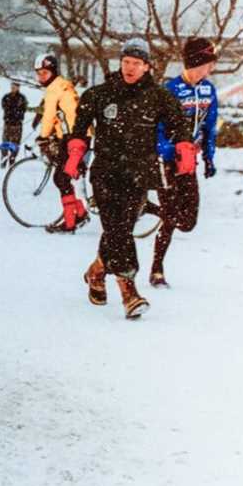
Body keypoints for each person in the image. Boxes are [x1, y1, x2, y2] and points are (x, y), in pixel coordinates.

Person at [65, 39, 194, 319]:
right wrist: (75, 154)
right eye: (125, 62)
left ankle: (97, 271)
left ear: (147, 67)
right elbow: (79, 129)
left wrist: (184, 148)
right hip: (106, 173)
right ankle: (129, 292)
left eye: (136, 63)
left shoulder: (158, 97)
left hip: (138, 175)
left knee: (118, 228)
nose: (130, 68)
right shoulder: (99, 94)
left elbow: (179, 125)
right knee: (119, 230)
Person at [149, 36, 220, 287]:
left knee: (188, 222)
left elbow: (210, 127)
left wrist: (209, 157)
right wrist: (168, 151)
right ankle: (157, 269)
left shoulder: (208, 90)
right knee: (170, 216)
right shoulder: (170, 90)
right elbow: (155, 127)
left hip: (189, 162)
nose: (210, 69)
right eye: (208, 63)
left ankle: (148, 208)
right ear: (196, 62)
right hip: (167, 160)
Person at [33, 53, 89, 233]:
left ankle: (73, 219)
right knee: (63, 178)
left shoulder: (54, 89)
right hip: (76, 136)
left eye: (44, 73)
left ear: (53, 71)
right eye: (39, 73)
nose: (41, 77)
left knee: (62, 178)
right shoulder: (63, 84)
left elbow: (49, 115)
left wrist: (42, 136)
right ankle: (78, 213)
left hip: (74, 138)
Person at [0, 80, 28, 167]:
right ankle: (3, 161)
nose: (13, 88)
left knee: (15, 144)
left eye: (14, 87)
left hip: (17, 125)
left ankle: (12, 161)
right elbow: (4, 107)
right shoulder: (6, 97)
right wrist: (12, 109)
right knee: (5, 143)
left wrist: (17, 111)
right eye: (12, 87)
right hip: (8, 124)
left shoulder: (22, 98)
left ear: (18, 87)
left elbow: (23, 109)